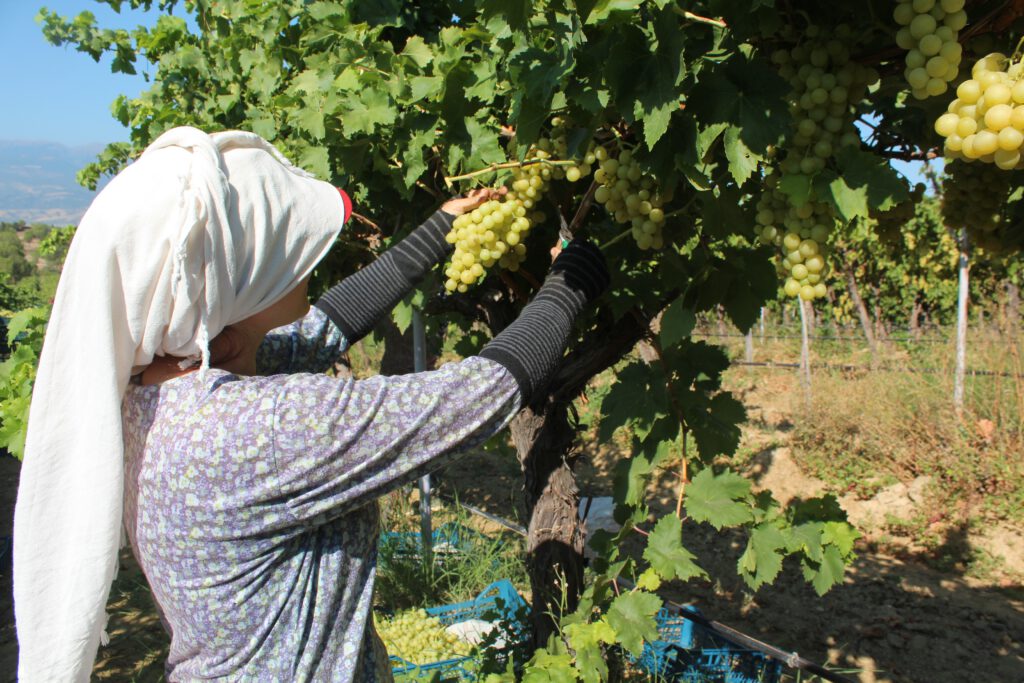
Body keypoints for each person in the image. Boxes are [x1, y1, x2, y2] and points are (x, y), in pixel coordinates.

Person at [13, 127, 609, 681]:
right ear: (231, 287)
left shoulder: (164, 382)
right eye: (285, 249)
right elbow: (478, 394)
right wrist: (572, 280)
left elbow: (325, 326)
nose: (306, 256)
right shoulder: (258, 430)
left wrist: (439, 229)